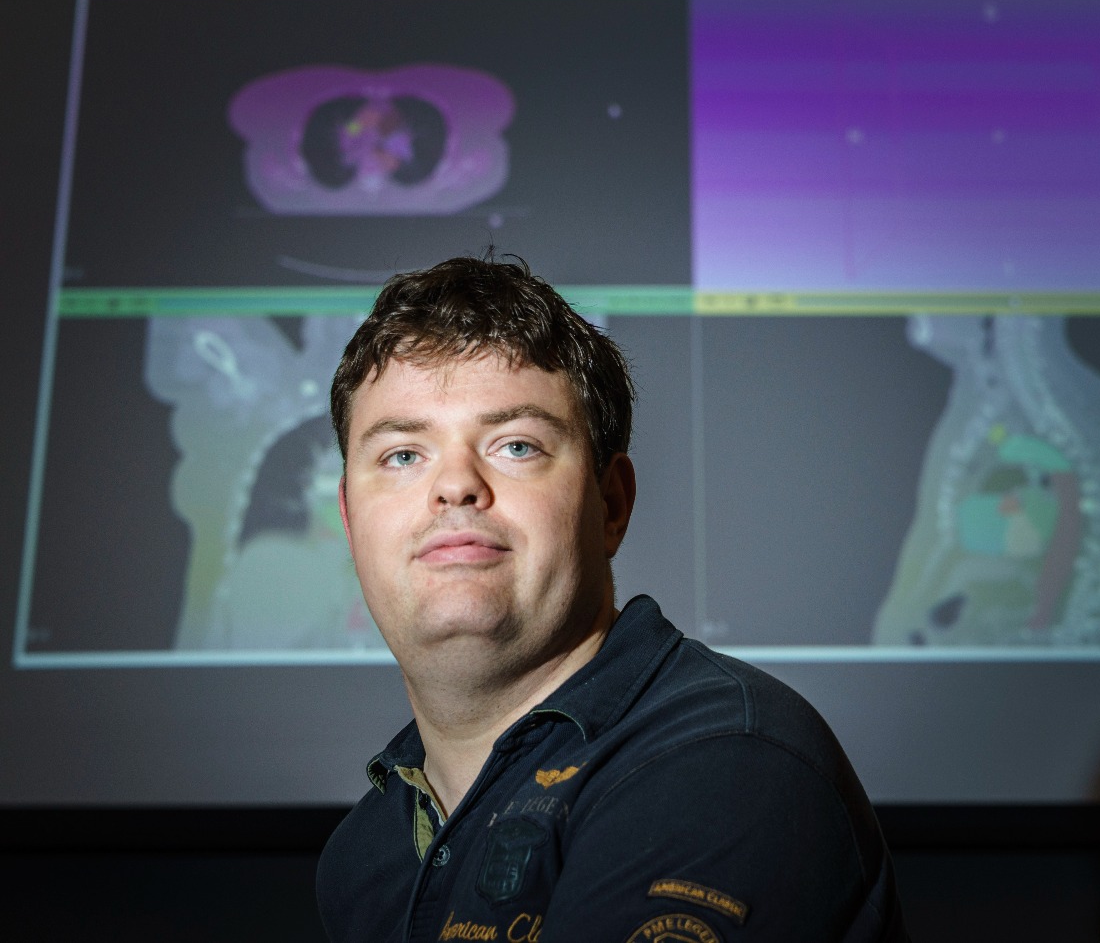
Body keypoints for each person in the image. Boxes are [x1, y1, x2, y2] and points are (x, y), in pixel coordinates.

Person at [316, 253, 909, 942]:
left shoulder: (722, 764)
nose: (456, 486)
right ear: (351, 521)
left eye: (515, 445)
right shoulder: (363, 859)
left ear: (612, 504)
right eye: (402, 455)